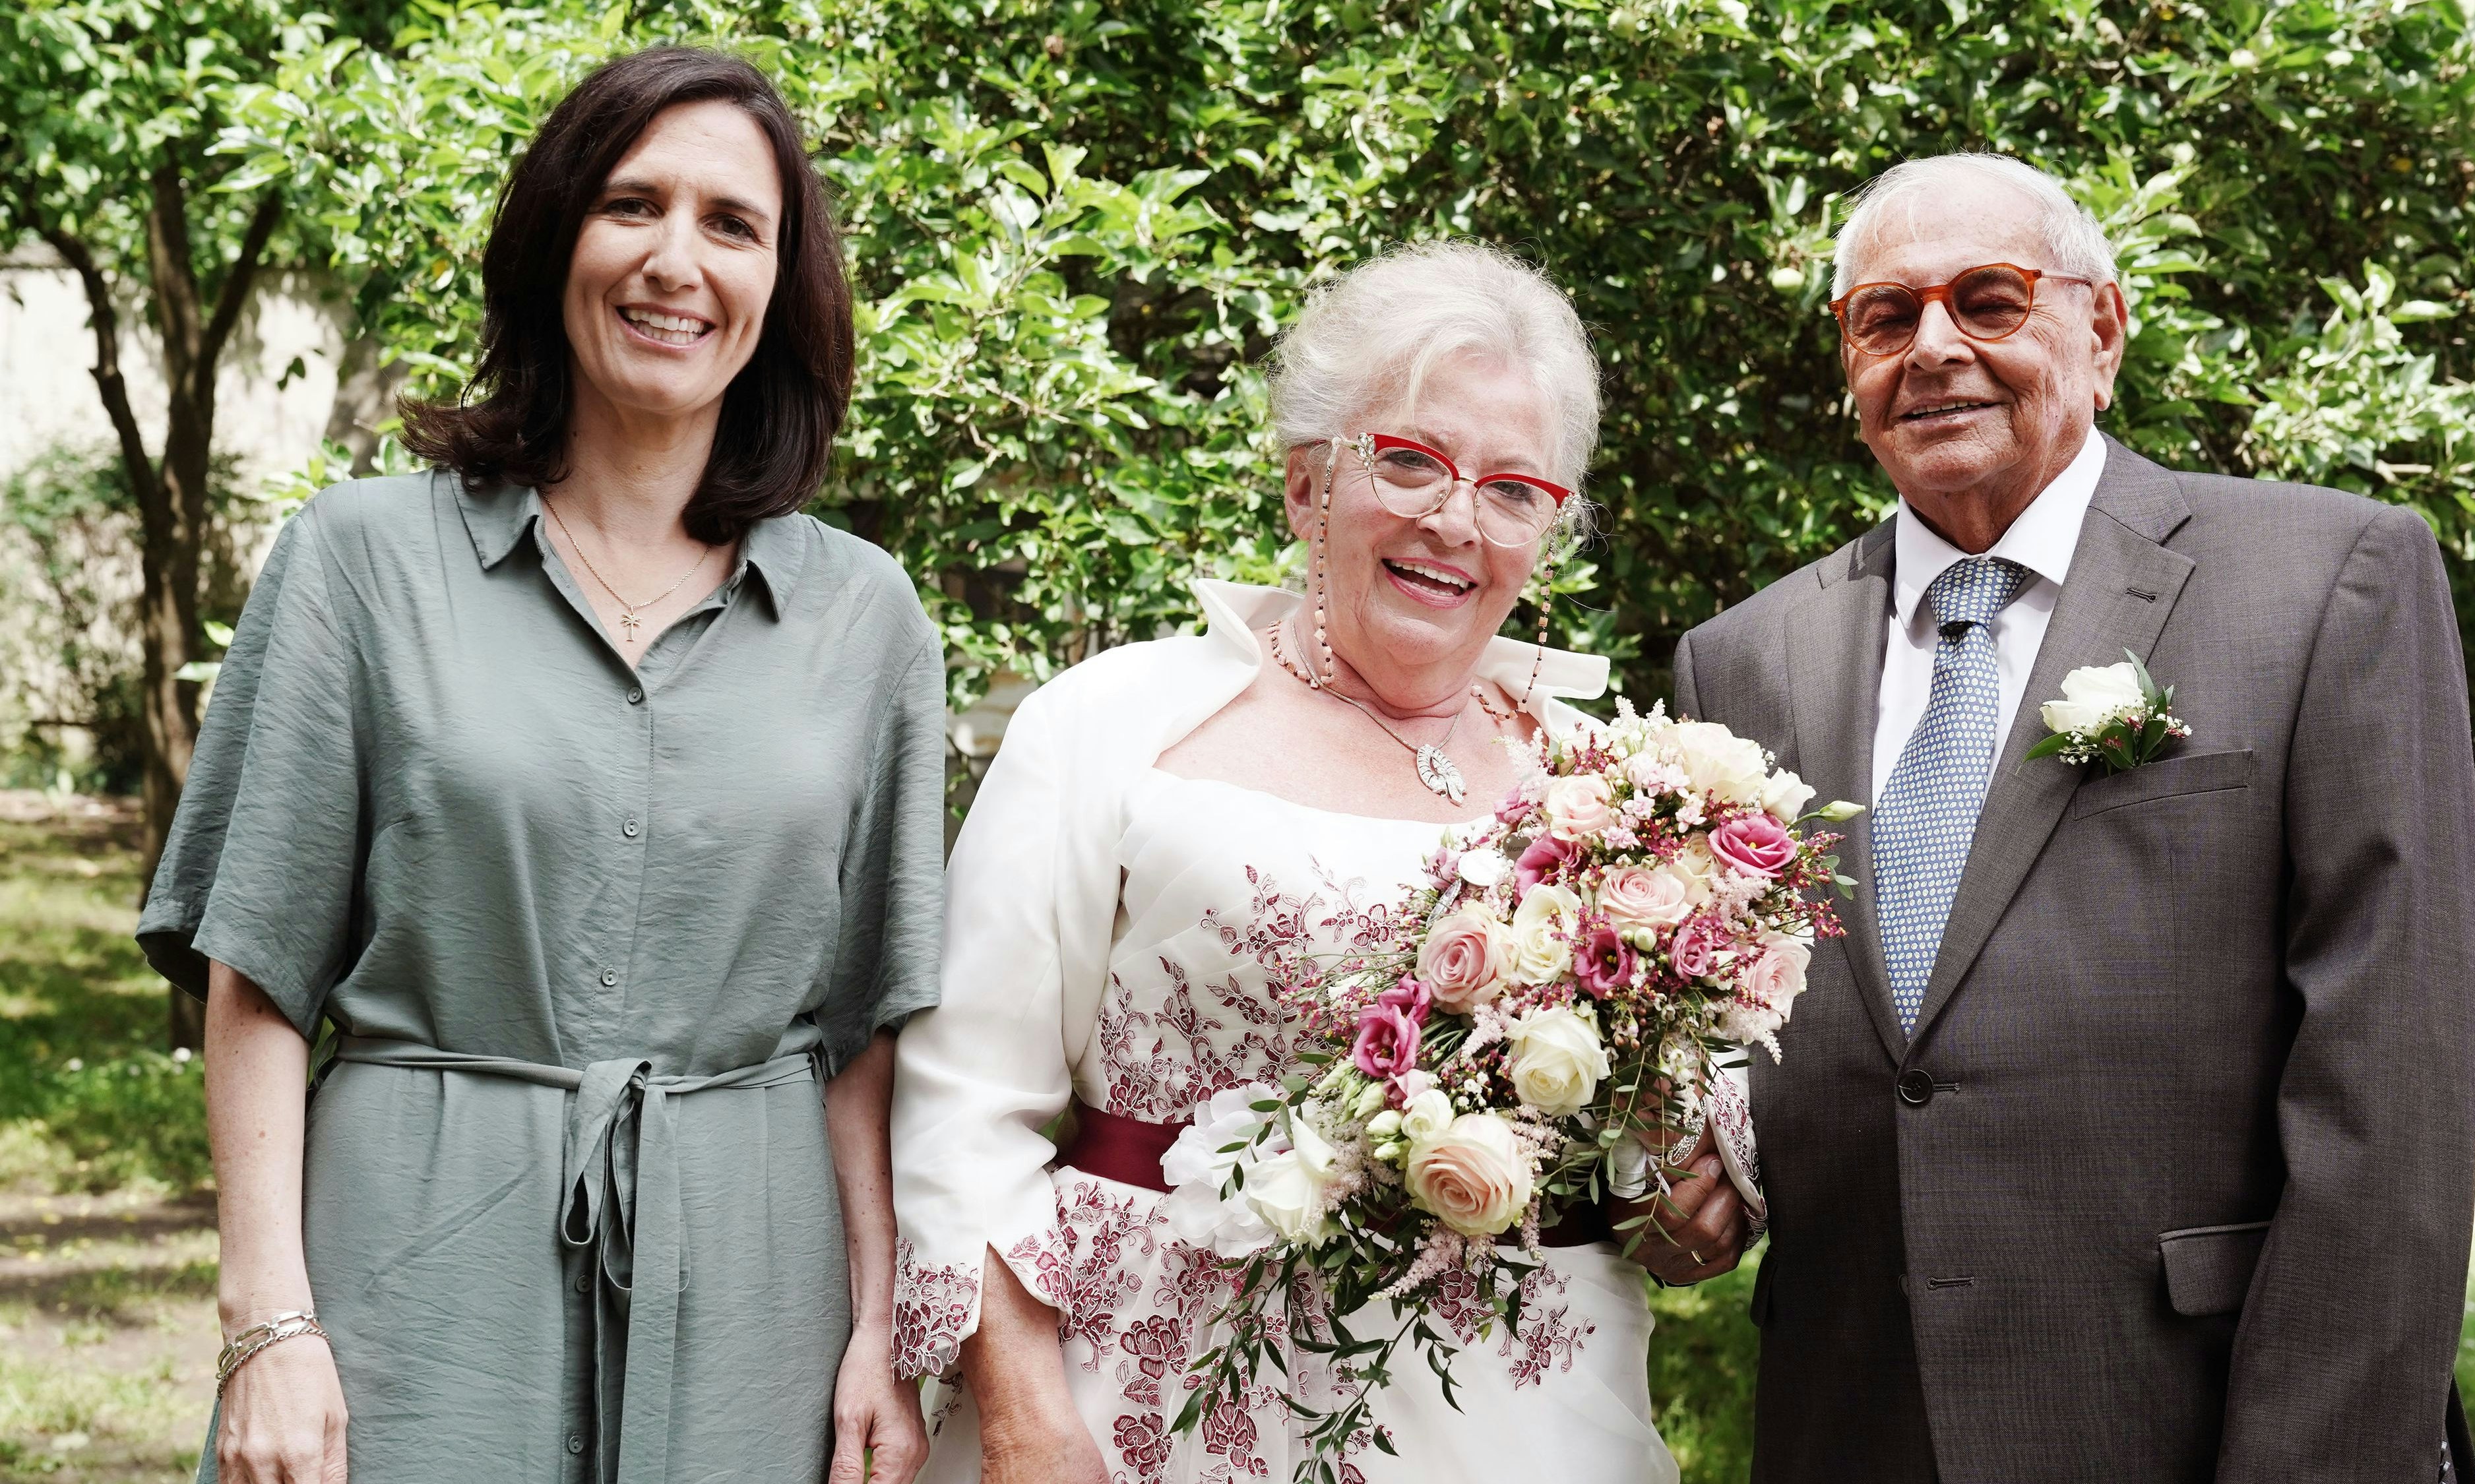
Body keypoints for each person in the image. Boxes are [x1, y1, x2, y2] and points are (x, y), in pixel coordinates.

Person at [137, 47, 941, 1484]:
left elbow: (861, 1040)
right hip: (407, 1274)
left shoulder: (865, 618)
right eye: (631, 205)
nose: (674, 262)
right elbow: (256, 972)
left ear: (782, 284)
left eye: (731, 224)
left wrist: (876, 1329)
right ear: (555, 235)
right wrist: (267, 1322)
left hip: (756, 1298)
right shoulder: (360, 562)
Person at [1650, 152, 2475, 1483]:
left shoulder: (2326, 581)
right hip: (1849, 1420)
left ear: (2097, 330)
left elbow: (2390, 1098)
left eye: (1986, 300)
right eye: (1885, 316)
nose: (1931, 347)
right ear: (1847, 361)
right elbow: (1764, 1031)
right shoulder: (1740, 661)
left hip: (2183, 1418)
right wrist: (1678, 1161)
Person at [888, 241, 1732, 1483]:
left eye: (1513, 488)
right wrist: (1021, 1415)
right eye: (1409, 460)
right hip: (1153, 1405)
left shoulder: (1608, 787)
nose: (1455, 518)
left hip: (1524, 1420)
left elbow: (1663, 1150)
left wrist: (1694, 1184)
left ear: (1547, 533)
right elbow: (966, 1105)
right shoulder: (1113, 723)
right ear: (1305, 487)